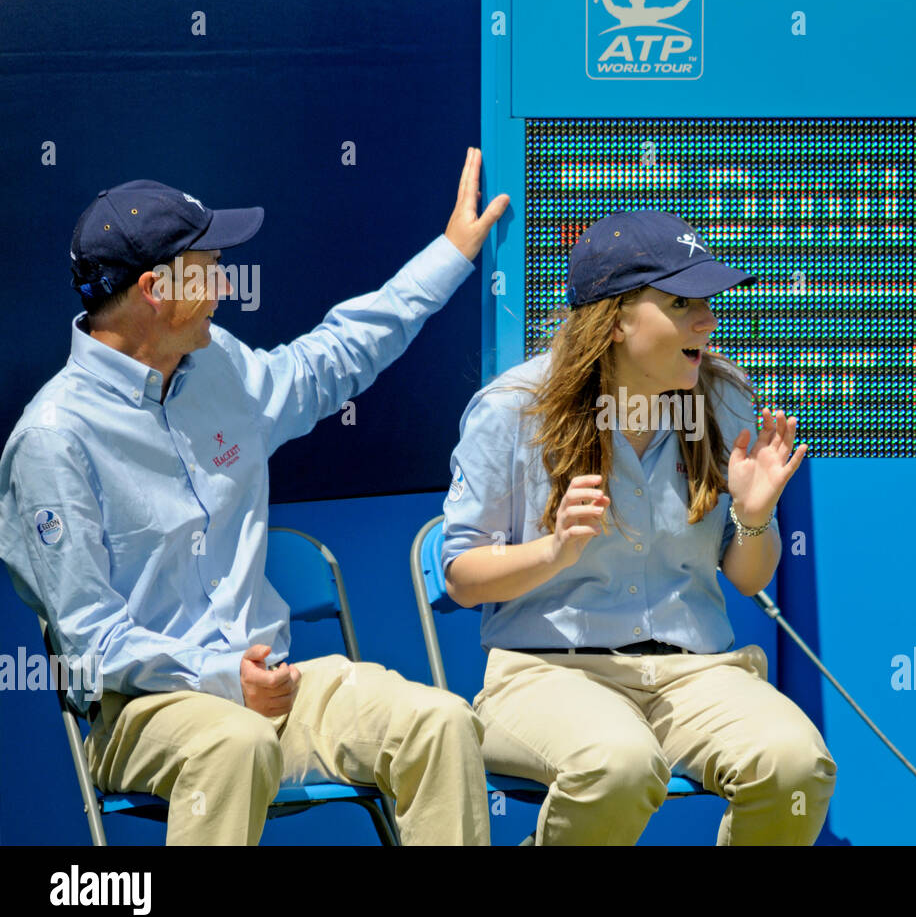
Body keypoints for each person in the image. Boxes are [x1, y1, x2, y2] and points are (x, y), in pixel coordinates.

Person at [0, 149, 509, 845]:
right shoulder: (52, 440)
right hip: (146, 712)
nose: (226, 286)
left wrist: (450, 253)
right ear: (156, 288)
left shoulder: (220, 365)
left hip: (278, 686)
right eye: (210, 268)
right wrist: (220, 678)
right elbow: (91, 642)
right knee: (235, 742)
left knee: (441, 723)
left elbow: (334, 358)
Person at [441, 209, 836, 845]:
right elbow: (460, 578)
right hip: (549, 675)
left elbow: (746, 577)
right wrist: (554, 551)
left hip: (698, 674)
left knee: (795, 765)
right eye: (681, 302)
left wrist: (754, 518)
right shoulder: (514, 409)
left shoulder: (728, 399)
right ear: (618, 319)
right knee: (618, 765)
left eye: (706, 301)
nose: (706, 320)